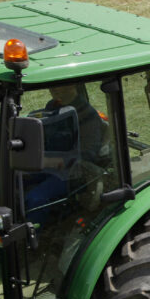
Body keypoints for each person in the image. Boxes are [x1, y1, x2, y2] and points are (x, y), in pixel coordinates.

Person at [24, 84, 105, 225]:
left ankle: (33, 234)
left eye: (58, 85)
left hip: (72, 174)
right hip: (49, 165)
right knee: (16, 178)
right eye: (51, 85)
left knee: (36, 198)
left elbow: (87, 155)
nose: (52, 88)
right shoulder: (53, 106)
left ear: (72, 85)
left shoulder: (88, 116)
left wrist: (54, 161)